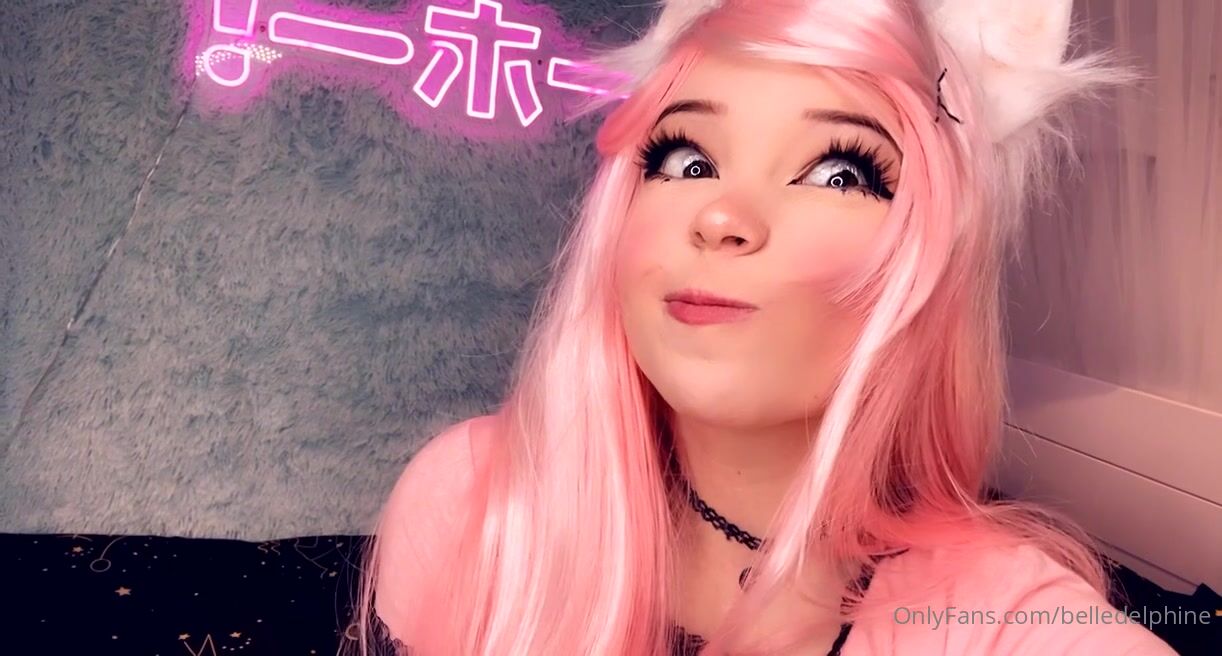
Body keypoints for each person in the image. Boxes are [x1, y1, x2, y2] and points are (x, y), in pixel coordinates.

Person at [348, 0, 1179, 653]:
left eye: (839, 172)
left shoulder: (1006, 623)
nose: (721, 216)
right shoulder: (474, 501)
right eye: (686, 159)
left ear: (932, 256)